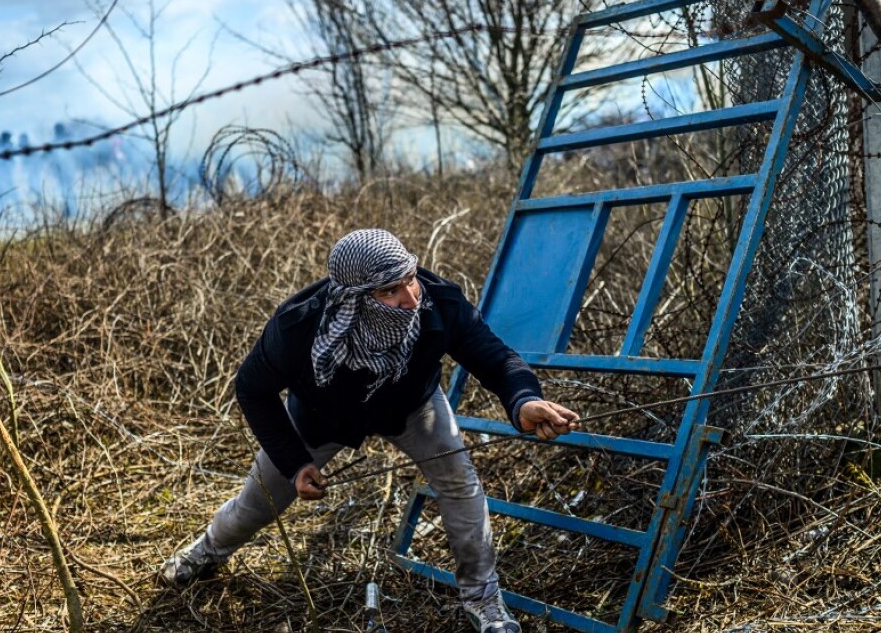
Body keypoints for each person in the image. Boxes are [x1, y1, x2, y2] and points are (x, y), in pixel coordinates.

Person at [162, 228, 580, 633]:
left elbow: (493, 356)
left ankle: (484, 598)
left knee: (460, 483)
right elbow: (252, 390)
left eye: (410, 280)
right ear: (353, 297)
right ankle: (207, 551)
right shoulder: (298, 328)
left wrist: (523, 399)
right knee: (258, 503)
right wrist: (294, 463)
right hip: (320, 417)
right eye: (388, 291)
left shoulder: (439, 302)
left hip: (414, 407)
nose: (408, 299)